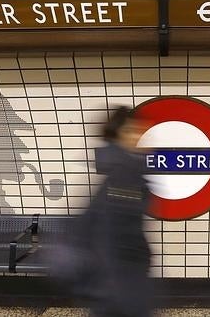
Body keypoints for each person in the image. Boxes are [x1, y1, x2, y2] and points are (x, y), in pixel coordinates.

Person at [61, 106, 152, 317]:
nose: (139, 136)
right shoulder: (123, 177)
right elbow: (112, 235)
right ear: (119, 136)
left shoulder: (122, 170)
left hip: (115, 283)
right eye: (132, 131)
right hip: (118, 285)